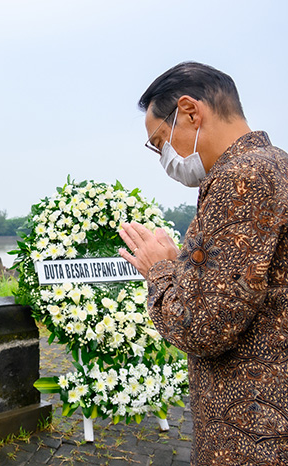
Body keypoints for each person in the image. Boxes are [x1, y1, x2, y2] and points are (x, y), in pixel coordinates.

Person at [119, 61, 288, 465]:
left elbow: (204, 327)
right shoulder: (276, 163)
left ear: (191, 112)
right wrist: (185, 265)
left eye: (161, 140)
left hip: (249, 429)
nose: (165, 156)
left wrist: (158, 269)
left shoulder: (240, 178)